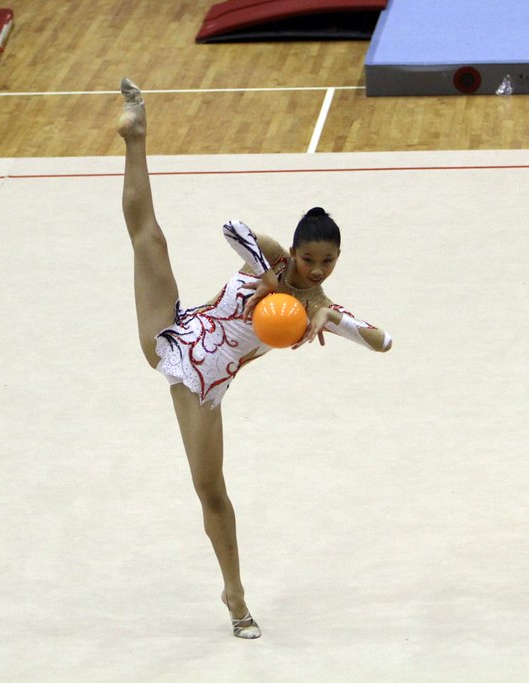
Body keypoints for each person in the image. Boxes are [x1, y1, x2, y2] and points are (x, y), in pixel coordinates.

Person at [116, 78, 392, 639]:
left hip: (203, 386)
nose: (317, 270)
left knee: (210, 490)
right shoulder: (269, 258)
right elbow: (231, 227)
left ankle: (234, 595)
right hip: (176, 332)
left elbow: (382, 340)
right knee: (149, 239)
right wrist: (268, 271)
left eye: (329, 262)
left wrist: (328, 315)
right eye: (310, 258)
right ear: (295, 250)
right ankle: (136, 134)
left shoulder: (316, 303)